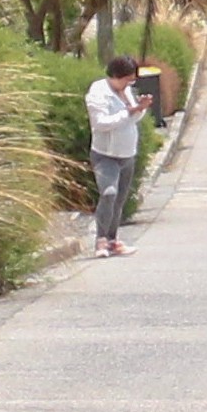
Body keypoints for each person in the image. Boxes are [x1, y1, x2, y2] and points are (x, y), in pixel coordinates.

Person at [81, 55, 153, 259]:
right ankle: (101, 240)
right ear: (114, 75)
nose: (128, 84)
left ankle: (112, 240)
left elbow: (133, 118)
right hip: (106, 154)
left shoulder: (126, 91)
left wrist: (140, 108)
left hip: (127, 152)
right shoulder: (98, 92)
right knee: (109, 193)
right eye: (126, 80)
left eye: (132, 81)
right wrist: (129, 112)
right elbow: (100, 123)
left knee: (119, 199)